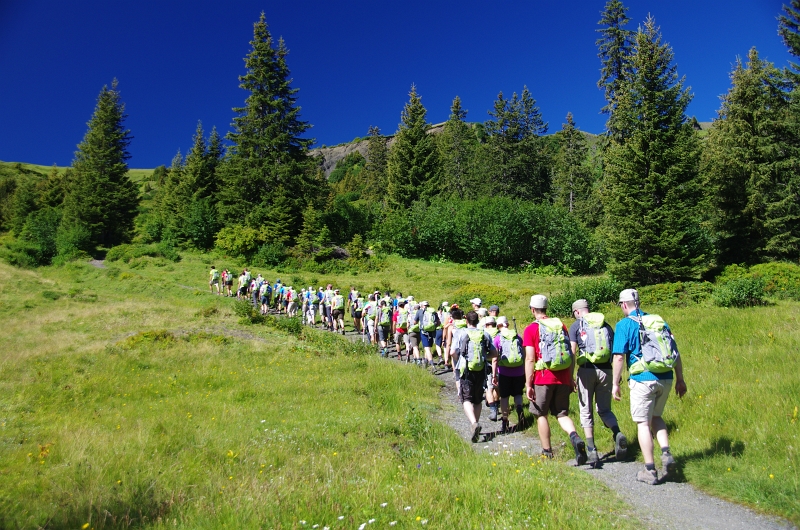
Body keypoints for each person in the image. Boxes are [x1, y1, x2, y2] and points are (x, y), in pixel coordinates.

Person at [612, 289, 687, 485]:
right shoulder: (658, 321)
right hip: (666, 378)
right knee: (656, 417)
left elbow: (619, 356)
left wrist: (615, 383)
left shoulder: (624, 324)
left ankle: (649, 469)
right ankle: (666, 453)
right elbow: (675, 351)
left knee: (643, 423)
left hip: (642, 379)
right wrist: (680, 379)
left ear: (624, 305)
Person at [524, 294, 588, 463]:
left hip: (542, 378)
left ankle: (547, 451)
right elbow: (570, 353)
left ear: (532, 310)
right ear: (546, 309)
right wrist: (570, 376)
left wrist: (528, 383)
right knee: (562, 414)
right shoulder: (561, 326)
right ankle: (574, 436)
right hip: (562, 376)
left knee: (541, 414)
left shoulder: (531, 329)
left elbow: (530, 358)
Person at [569, 299, 627, 466]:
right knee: (604, 409)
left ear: (578, 312)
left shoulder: (576, 326)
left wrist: (571, 375)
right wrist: (617, 375)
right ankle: (617, 433)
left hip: (587, 370)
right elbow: (616, 350)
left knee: (586, 409)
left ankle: (592, 449)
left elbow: (573, 352)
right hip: (607, 370)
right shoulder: (605, 324)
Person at [451, 310, 497, 442]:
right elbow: (494, 353)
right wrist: (483, 357)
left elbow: (453, 351)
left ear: (466, 320)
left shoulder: (460, 333)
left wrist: (458, 360)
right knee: (477, 399)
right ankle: (475, 423)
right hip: (481, 369)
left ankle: (473, 423)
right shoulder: (485, 334)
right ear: (478, 321)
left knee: (466, 398)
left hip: (465, 369)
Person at [491, 316, 526, 433]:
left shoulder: (497, 338)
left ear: (498, 326)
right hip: (519, 371)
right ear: (507, 325)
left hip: (504, 372)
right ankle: (520, 410)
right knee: (518, 394)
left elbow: (495, 359)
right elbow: (524, 354)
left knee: (504, 397)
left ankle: (505, 422)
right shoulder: (517, 336)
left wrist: (494, 375)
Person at [483, 316, 501, 421]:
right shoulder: (500, 334)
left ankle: (493, 410)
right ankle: (497, 406)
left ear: (486, 324)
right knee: (496, 386)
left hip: (488, 364)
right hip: (500, 364)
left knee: (489, 388)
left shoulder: (484, 334)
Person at [419, 301, 439, 369]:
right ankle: (425, 361)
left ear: (422, 306)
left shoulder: (420, 312)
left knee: (427, 348)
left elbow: (415, 321)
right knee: (428, 347)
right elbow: (438, 322)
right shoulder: (433, 312)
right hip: (432, 331)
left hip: (423, 331)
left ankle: (432, 364)